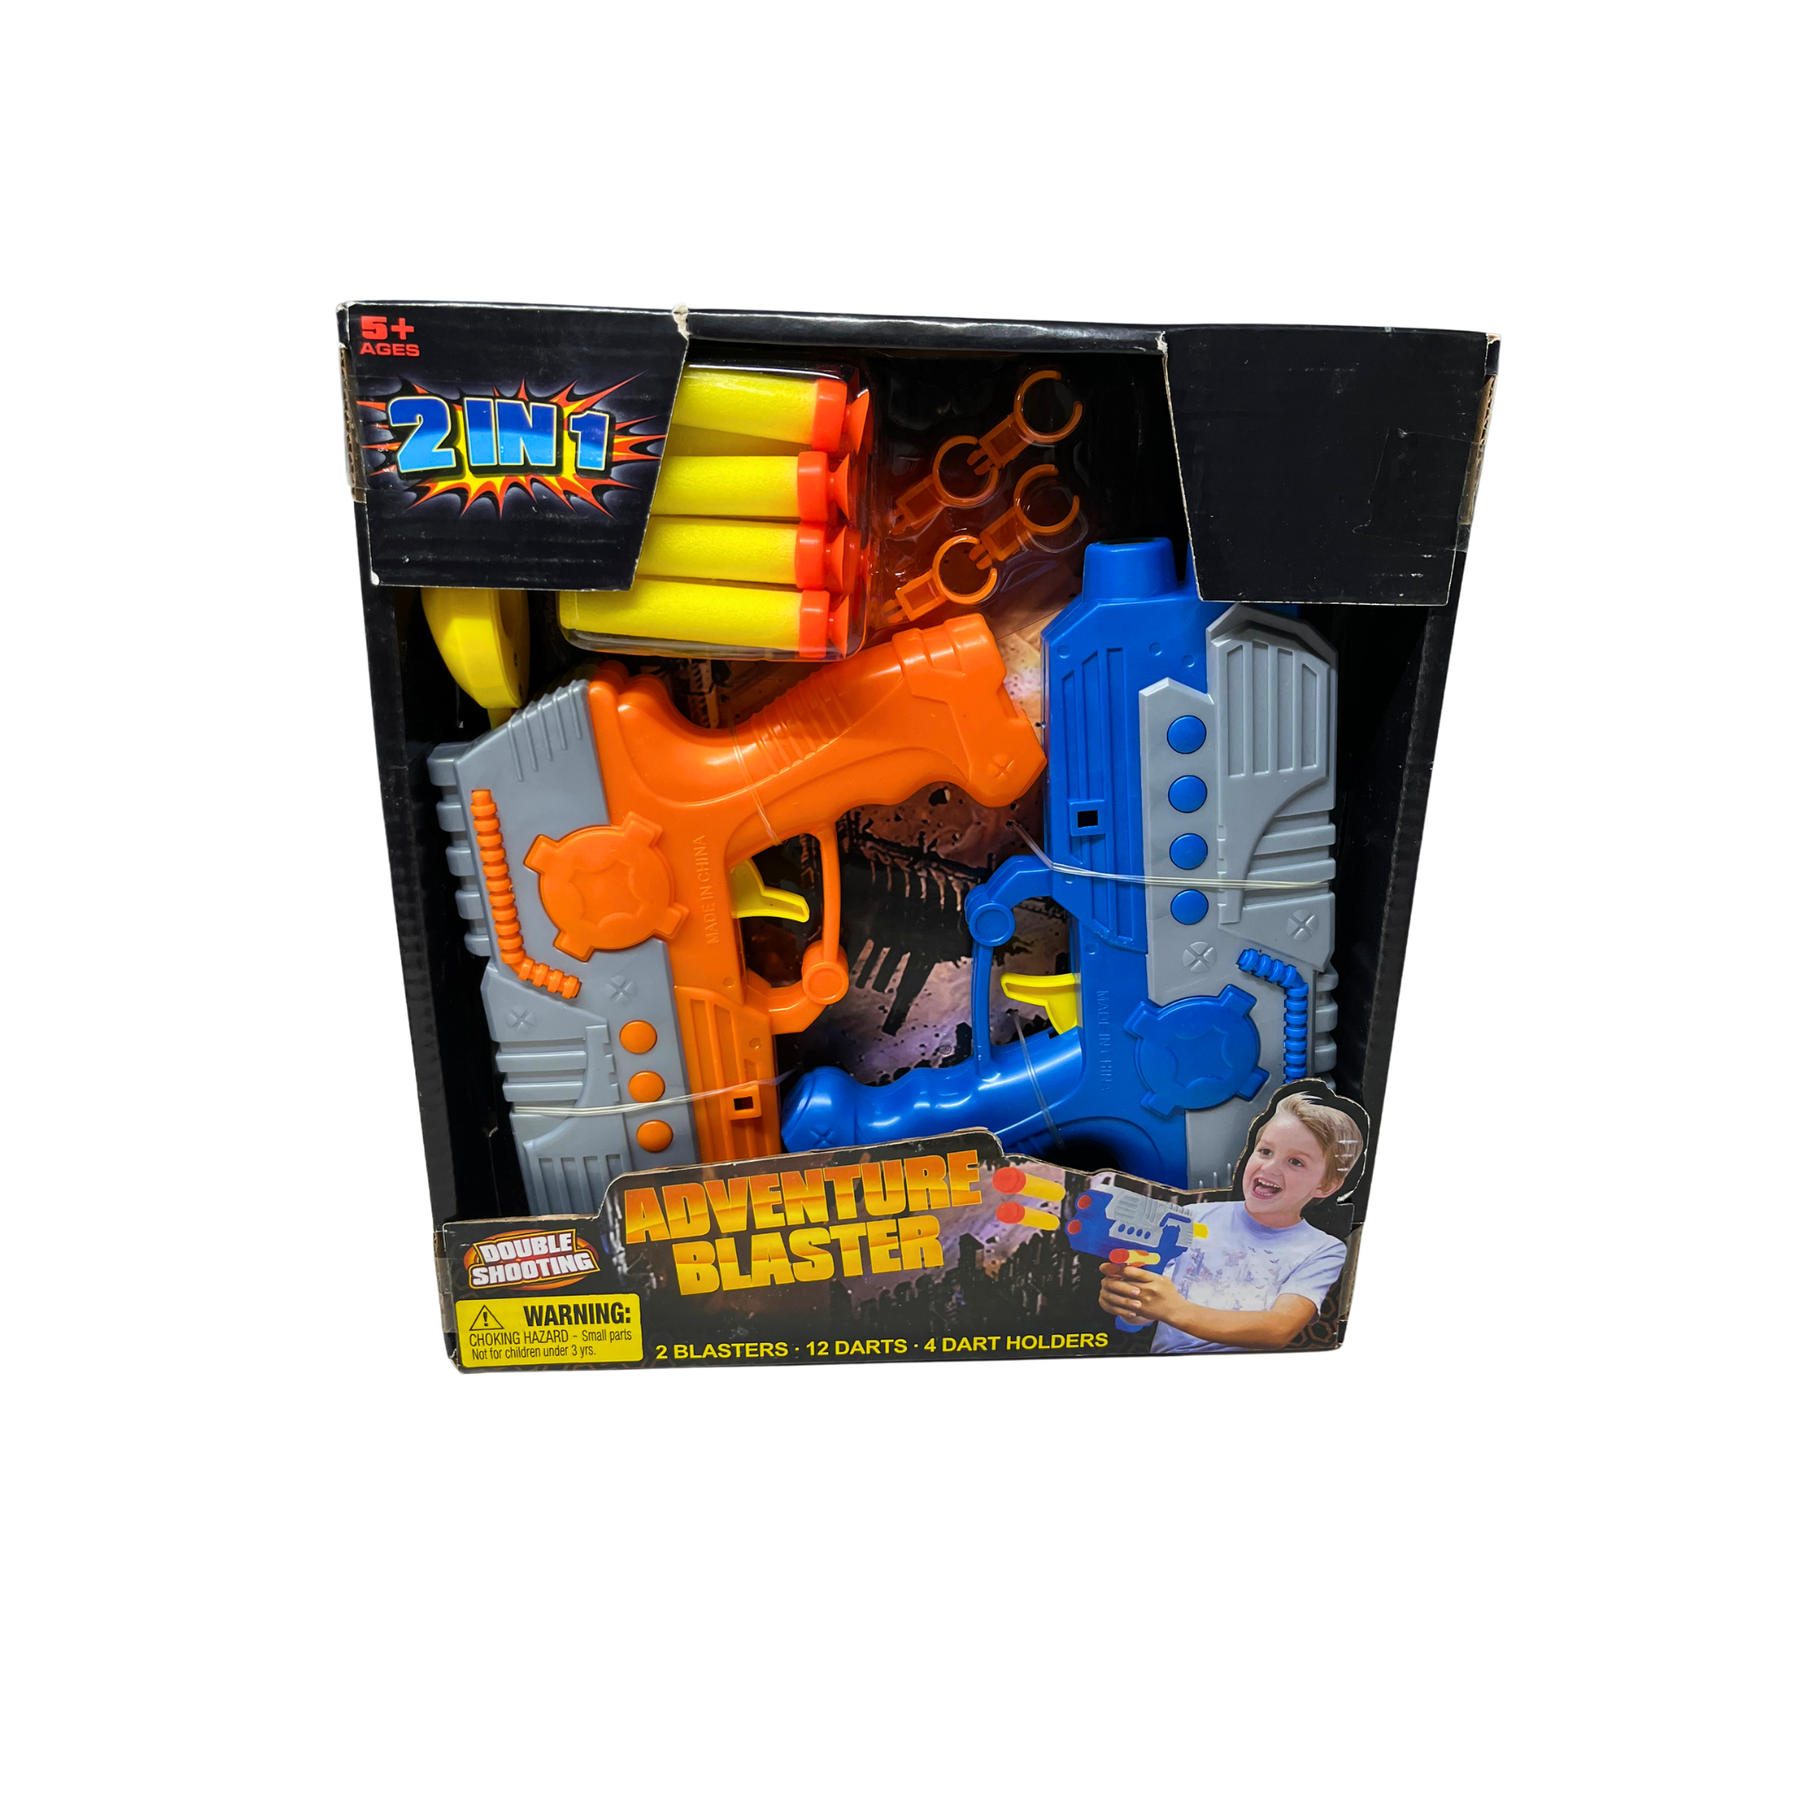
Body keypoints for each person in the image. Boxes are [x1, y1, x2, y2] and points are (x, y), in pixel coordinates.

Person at [1099, 1092, 1363, 1353]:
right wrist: (1131, 1300)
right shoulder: (1192, 1217)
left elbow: (1278, 1330)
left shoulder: (1323, 1249)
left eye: (1296, 1162)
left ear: (1326, 1185)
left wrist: (1174, 1309)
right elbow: (1142, 1316)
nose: (1269, 1167)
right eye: (1265, 1151)